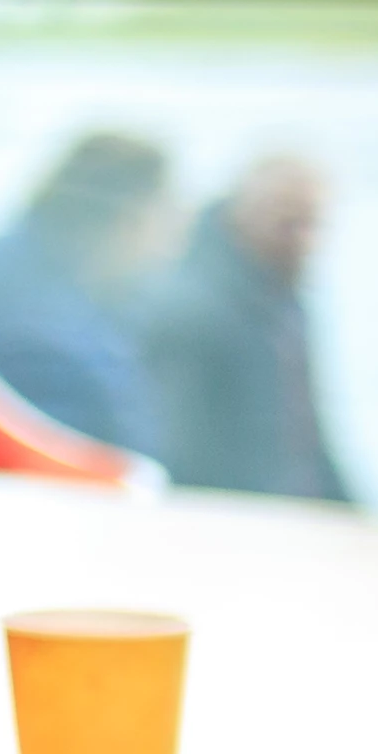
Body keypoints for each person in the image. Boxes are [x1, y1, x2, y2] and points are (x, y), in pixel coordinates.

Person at [0, 130, 176, 462]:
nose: (169, 244)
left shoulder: (75, 283)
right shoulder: (42, 342)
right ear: (129, 221)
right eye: (168, 217)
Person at [142, 153, 351, 500]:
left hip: (292, 510)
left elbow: (309, 440)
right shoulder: (193, 311)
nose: (303, 241)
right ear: (243, 214)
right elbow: (187, 454)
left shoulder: (284, 302)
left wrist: (358, 513)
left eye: (312, 225)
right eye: (287, 223)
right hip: (239, 515)